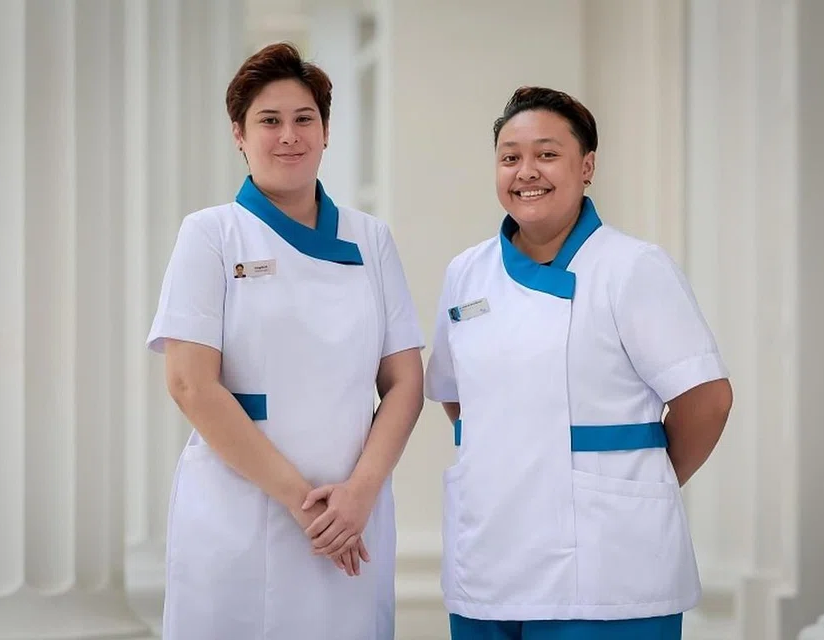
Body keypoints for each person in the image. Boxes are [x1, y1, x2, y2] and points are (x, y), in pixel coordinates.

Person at [424, 86, 733, 640]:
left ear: (586, 167)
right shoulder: (466, 273)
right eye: (510, 157)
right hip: (489, 552)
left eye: (547, 154)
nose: (526, 172)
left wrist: (641, 484)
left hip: (607, 564)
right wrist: (512, 457)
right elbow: (454, 393)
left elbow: (707, 401)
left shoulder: (632, 267)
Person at [147, 42, 425, 640]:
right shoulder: (211, 234)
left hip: (353, 512)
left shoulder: (371, 239)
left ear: (326, 132)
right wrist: (306, 504)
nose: (289, 136)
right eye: (269, 121)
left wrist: (359, 494)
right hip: (242, 509)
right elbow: (190, 384)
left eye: (305, 119)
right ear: (239, 135)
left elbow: (405, 382)